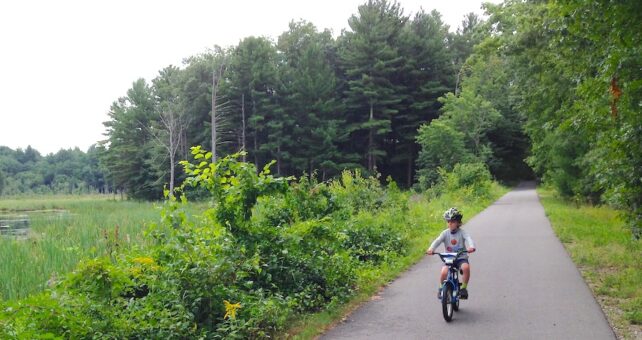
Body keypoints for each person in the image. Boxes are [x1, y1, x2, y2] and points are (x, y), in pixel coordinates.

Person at [426, 207, 476, 299]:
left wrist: (471, 247)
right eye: (448, 221)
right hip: (449, 258)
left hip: (461, 257)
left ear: (458, 222)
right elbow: (437, 241)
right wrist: (431, 249)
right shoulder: (445, 233)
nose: (450, 224)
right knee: (443, 272)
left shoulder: (462, 233)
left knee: (465, 268)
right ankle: (441, 289)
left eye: (452, 221)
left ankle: (463, 288)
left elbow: (468, 239)